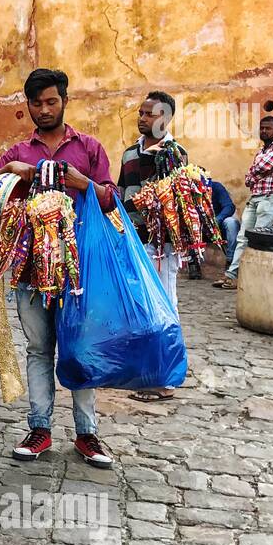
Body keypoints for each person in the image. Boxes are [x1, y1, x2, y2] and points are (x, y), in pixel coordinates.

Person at [0, 68, 119, 469]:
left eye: (50, 101)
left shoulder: (88, 148)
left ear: (64, 101)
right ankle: (39, 428)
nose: (43, 110)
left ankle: (87, 434)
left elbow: (111, 199)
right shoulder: (19, 152)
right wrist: (9, 172)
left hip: (77, 270)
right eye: (36, 103)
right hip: (28, 271)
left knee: (81, 346)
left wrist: (82, 182)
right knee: (39, 348)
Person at [117, 91, 187, 403]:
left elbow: (174, 201)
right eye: (141, 113)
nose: (142, 118)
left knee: (164, 308)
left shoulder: (174, 153)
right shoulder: (129, 153)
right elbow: (121, 193)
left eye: (150, 114)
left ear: (166, 119)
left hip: (162, 245)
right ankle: (145, 372)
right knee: (139, 308)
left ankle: (165, 380)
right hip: (133, 240)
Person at [215, 114, 273, 289]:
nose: (264, 131)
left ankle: (251, 279)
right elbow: (249, 179)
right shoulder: (261, 151)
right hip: (256, 197)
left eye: (268, 128)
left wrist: (256, 172)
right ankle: (231, 276)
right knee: (243, 238)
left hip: (272, 197)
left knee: (257, 238)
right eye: (262, 128)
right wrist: (257, 172)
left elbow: (261, 167)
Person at [207, 176, 238, 267]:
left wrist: (218, 219)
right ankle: (193, 263)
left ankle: (230, 260)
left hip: (218, 224)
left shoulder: (216, 187)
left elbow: (229, 206)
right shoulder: (187, 191)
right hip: (197, 227)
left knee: (231, 223)